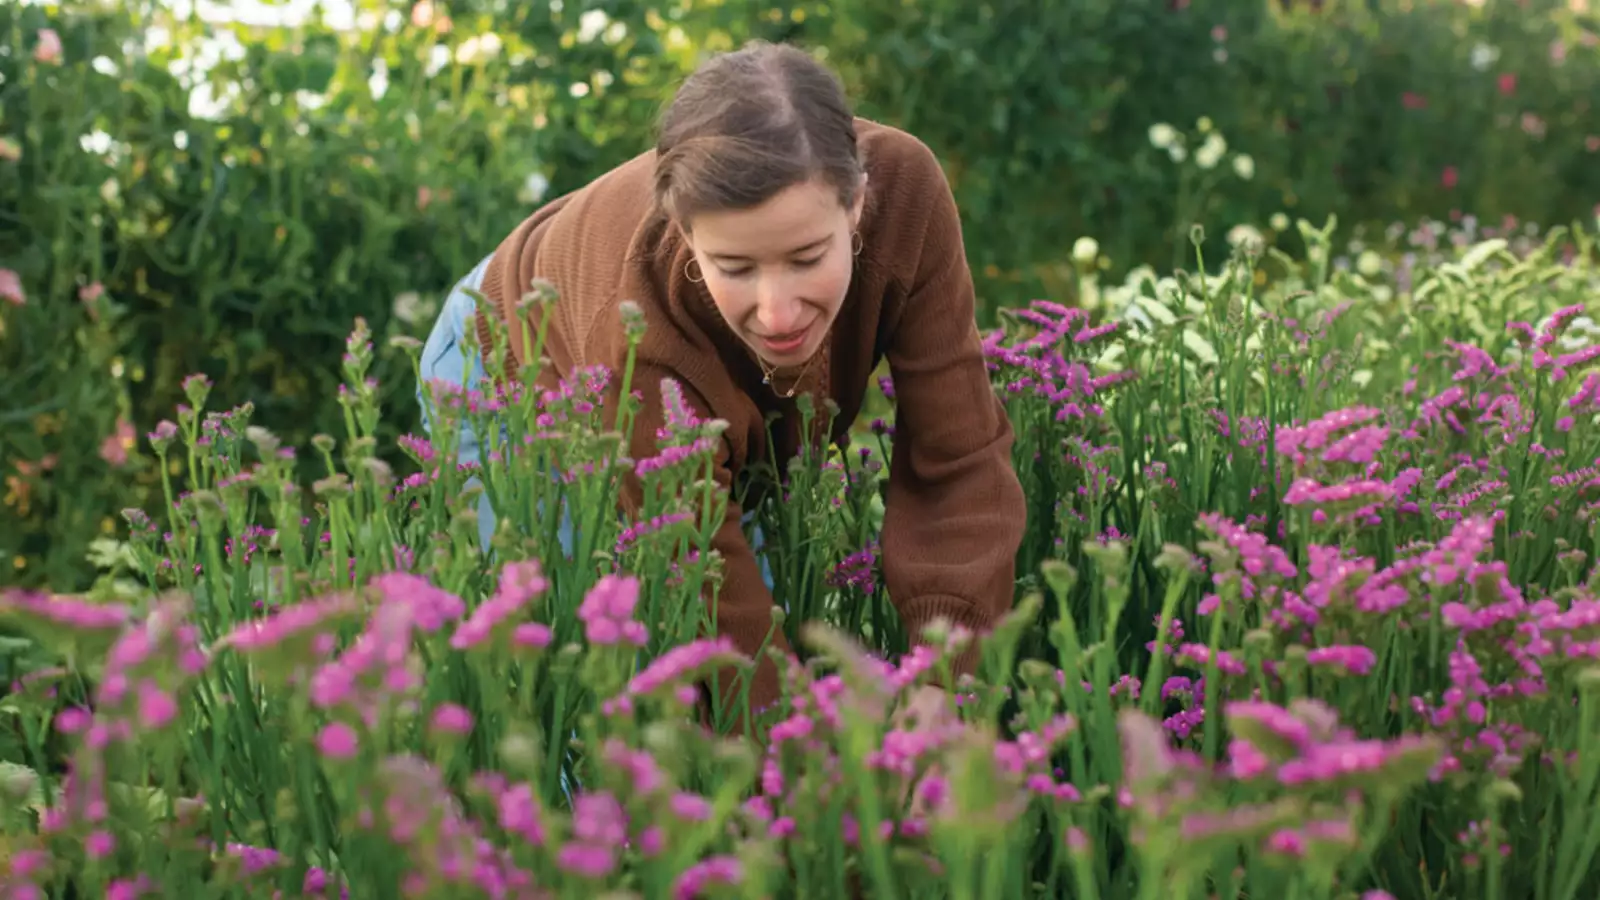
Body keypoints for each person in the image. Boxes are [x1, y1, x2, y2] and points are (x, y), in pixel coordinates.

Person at [417, 40, 1025, 728]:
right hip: (513, 359)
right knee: (582, 685)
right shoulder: (635, 336)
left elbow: (958, 460)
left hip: (649, 355)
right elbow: (704, 581)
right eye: (735, 266)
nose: (778, 311)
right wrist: (809, 774)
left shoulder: (907, 196)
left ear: (856, 201)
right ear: (684, 231)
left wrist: (943, 683)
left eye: (806, 257)